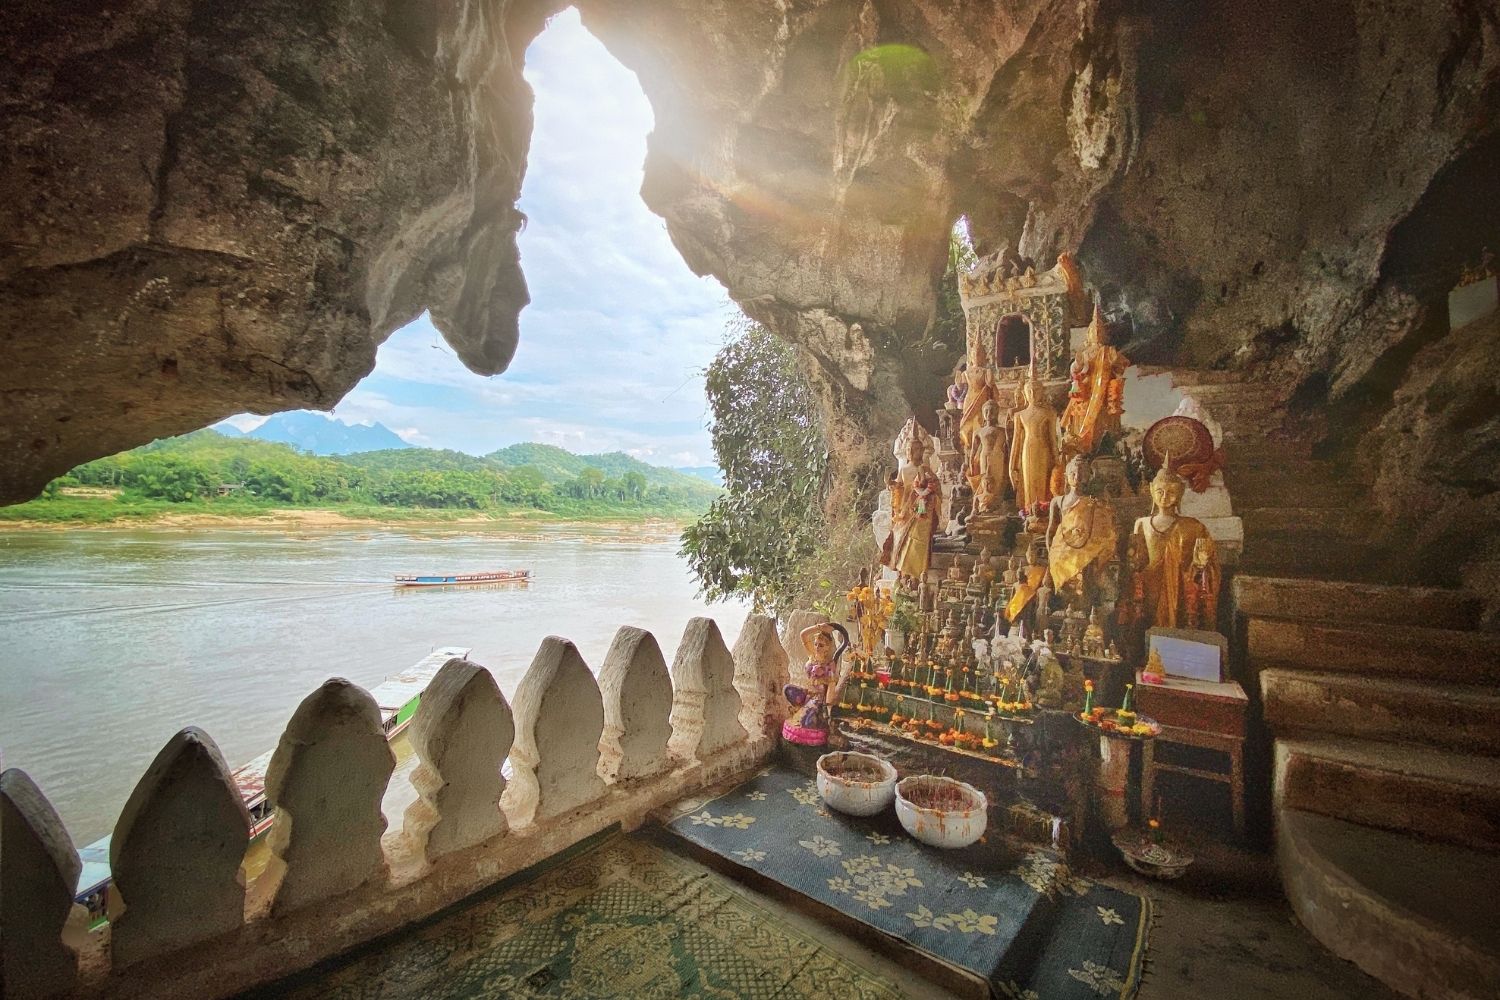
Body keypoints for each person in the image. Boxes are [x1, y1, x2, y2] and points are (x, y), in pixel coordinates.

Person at [782, 622, 850, 746]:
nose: (817, 647)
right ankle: (801, 709)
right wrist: (819, 627)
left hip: (818, 699)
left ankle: (811, 715)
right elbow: (803, 635)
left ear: (827, 648)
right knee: (787, 689)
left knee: (806, 723)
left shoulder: (829, 666)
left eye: (821, 645)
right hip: (808, 694)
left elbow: (830, 688)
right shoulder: (812, 655)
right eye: (816, 644)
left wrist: (828, 707)